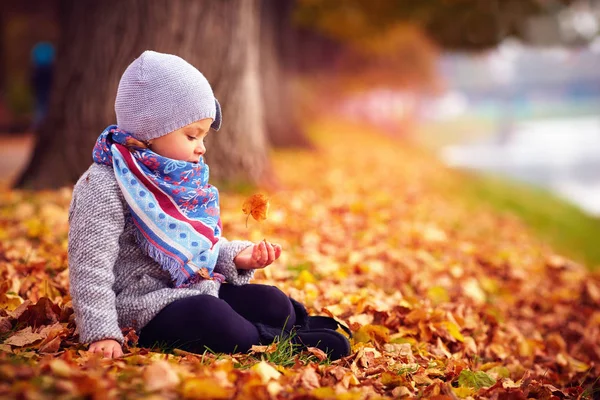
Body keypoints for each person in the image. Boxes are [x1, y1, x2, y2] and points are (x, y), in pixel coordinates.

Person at [68, 50, 351, 361]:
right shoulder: (105, 184)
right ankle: (279, 341)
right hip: (140, 306)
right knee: (212, 315)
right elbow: (89, 268)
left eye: (203, 136)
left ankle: (286, 327)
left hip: (191, 287)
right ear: (151, 129)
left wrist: (237, 256)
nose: (201, 147)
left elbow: (198, 246)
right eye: (191, 136)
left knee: (273, 302)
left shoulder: (176, 177)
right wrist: (103, 332)